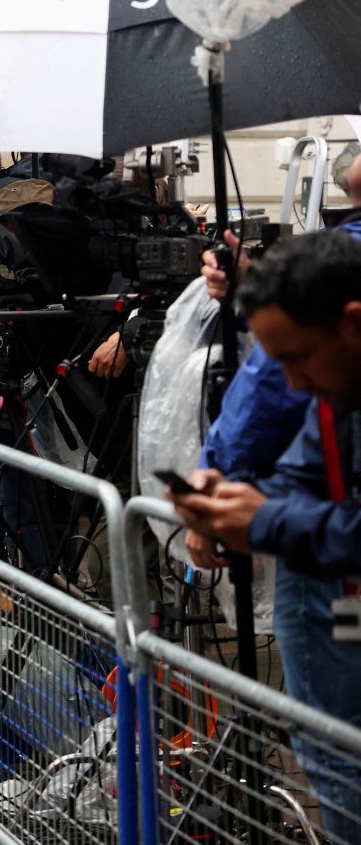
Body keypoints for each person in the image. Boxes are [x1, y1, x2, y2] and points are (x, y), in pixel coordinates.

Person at [170, 230, 361, 842]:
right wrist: (230, 503)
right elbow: (308, 472)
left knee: (341, 767)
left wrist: (266, 520)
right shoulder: (335, 386)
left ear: (352, 322)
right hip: (342, 596)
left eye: (298, 358)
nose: (294, 385)